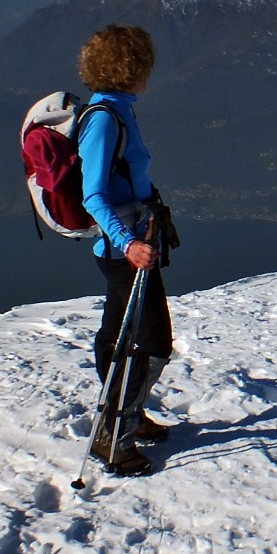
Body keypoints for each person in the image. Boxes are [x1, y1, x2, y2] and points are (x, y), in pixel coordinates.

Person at [77, 25, 177, 477]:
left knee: (115, 334)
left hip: (129, 244)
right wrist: (130, 243)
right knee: (153, 343)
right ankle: (112, 437)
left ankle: (125, 417)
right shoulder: (103, 120)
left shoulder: (119, 111)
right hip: (124, 252)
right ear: (131, 68)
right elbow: (93, 196)